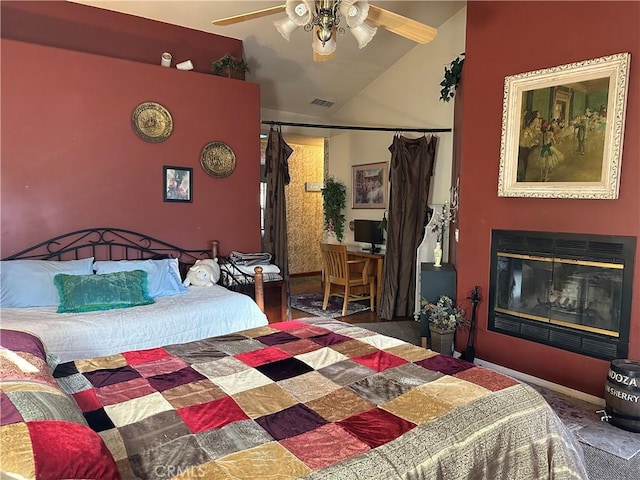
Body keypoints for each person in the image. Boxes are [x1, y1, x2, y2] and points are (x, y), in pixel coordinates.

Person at [517, 110, 541, 181]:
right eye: (538, 114)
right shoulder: (536, 120)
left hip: (528, 133)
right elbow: (534, 128)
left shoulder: (532, 120)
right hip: (530, 133)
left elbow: (532, 127)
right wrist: (536, 132)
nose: (539, 114)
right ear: (536, 115)